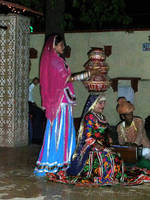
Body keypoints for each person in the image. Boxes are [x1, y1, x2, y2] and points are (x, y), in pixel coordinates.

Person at [34, 34, 98, 176]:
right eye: (61, 45)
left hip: (62, 101)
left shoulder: (56, 60)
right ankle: (55, 163)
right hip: (59, 103)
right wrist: (87, 74)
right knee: (59, 132)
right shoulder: (55, 62)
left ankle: (62, 162)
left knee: (63, 131)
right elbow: (67, 78)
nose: (63, 47)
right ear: (54, 46)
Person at [47, 95, 124, 186]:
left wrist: (109, 138)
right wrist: (99, 147)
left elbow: (105, 131)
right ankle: (105, 178)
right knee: (106, 156)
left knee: (116, 155)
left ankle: (113, 177)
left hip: (103, 144)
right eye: (100, 103)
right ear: (93, 104)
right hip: (91, 146)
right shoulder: (90, 117)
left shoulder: (102, 117)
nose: (103, 105)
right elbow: (89, 137)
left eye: (104, 103)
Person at [28, 77, 46, 144]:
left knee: (41, 113)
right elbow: (27, 90)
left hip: (30, 104)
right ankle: (36, 138)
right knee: (38, 113)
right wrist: (33, 84)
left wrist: (33, 102)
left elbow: (29, 94)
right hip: (26, 104)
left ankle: (38, 136)